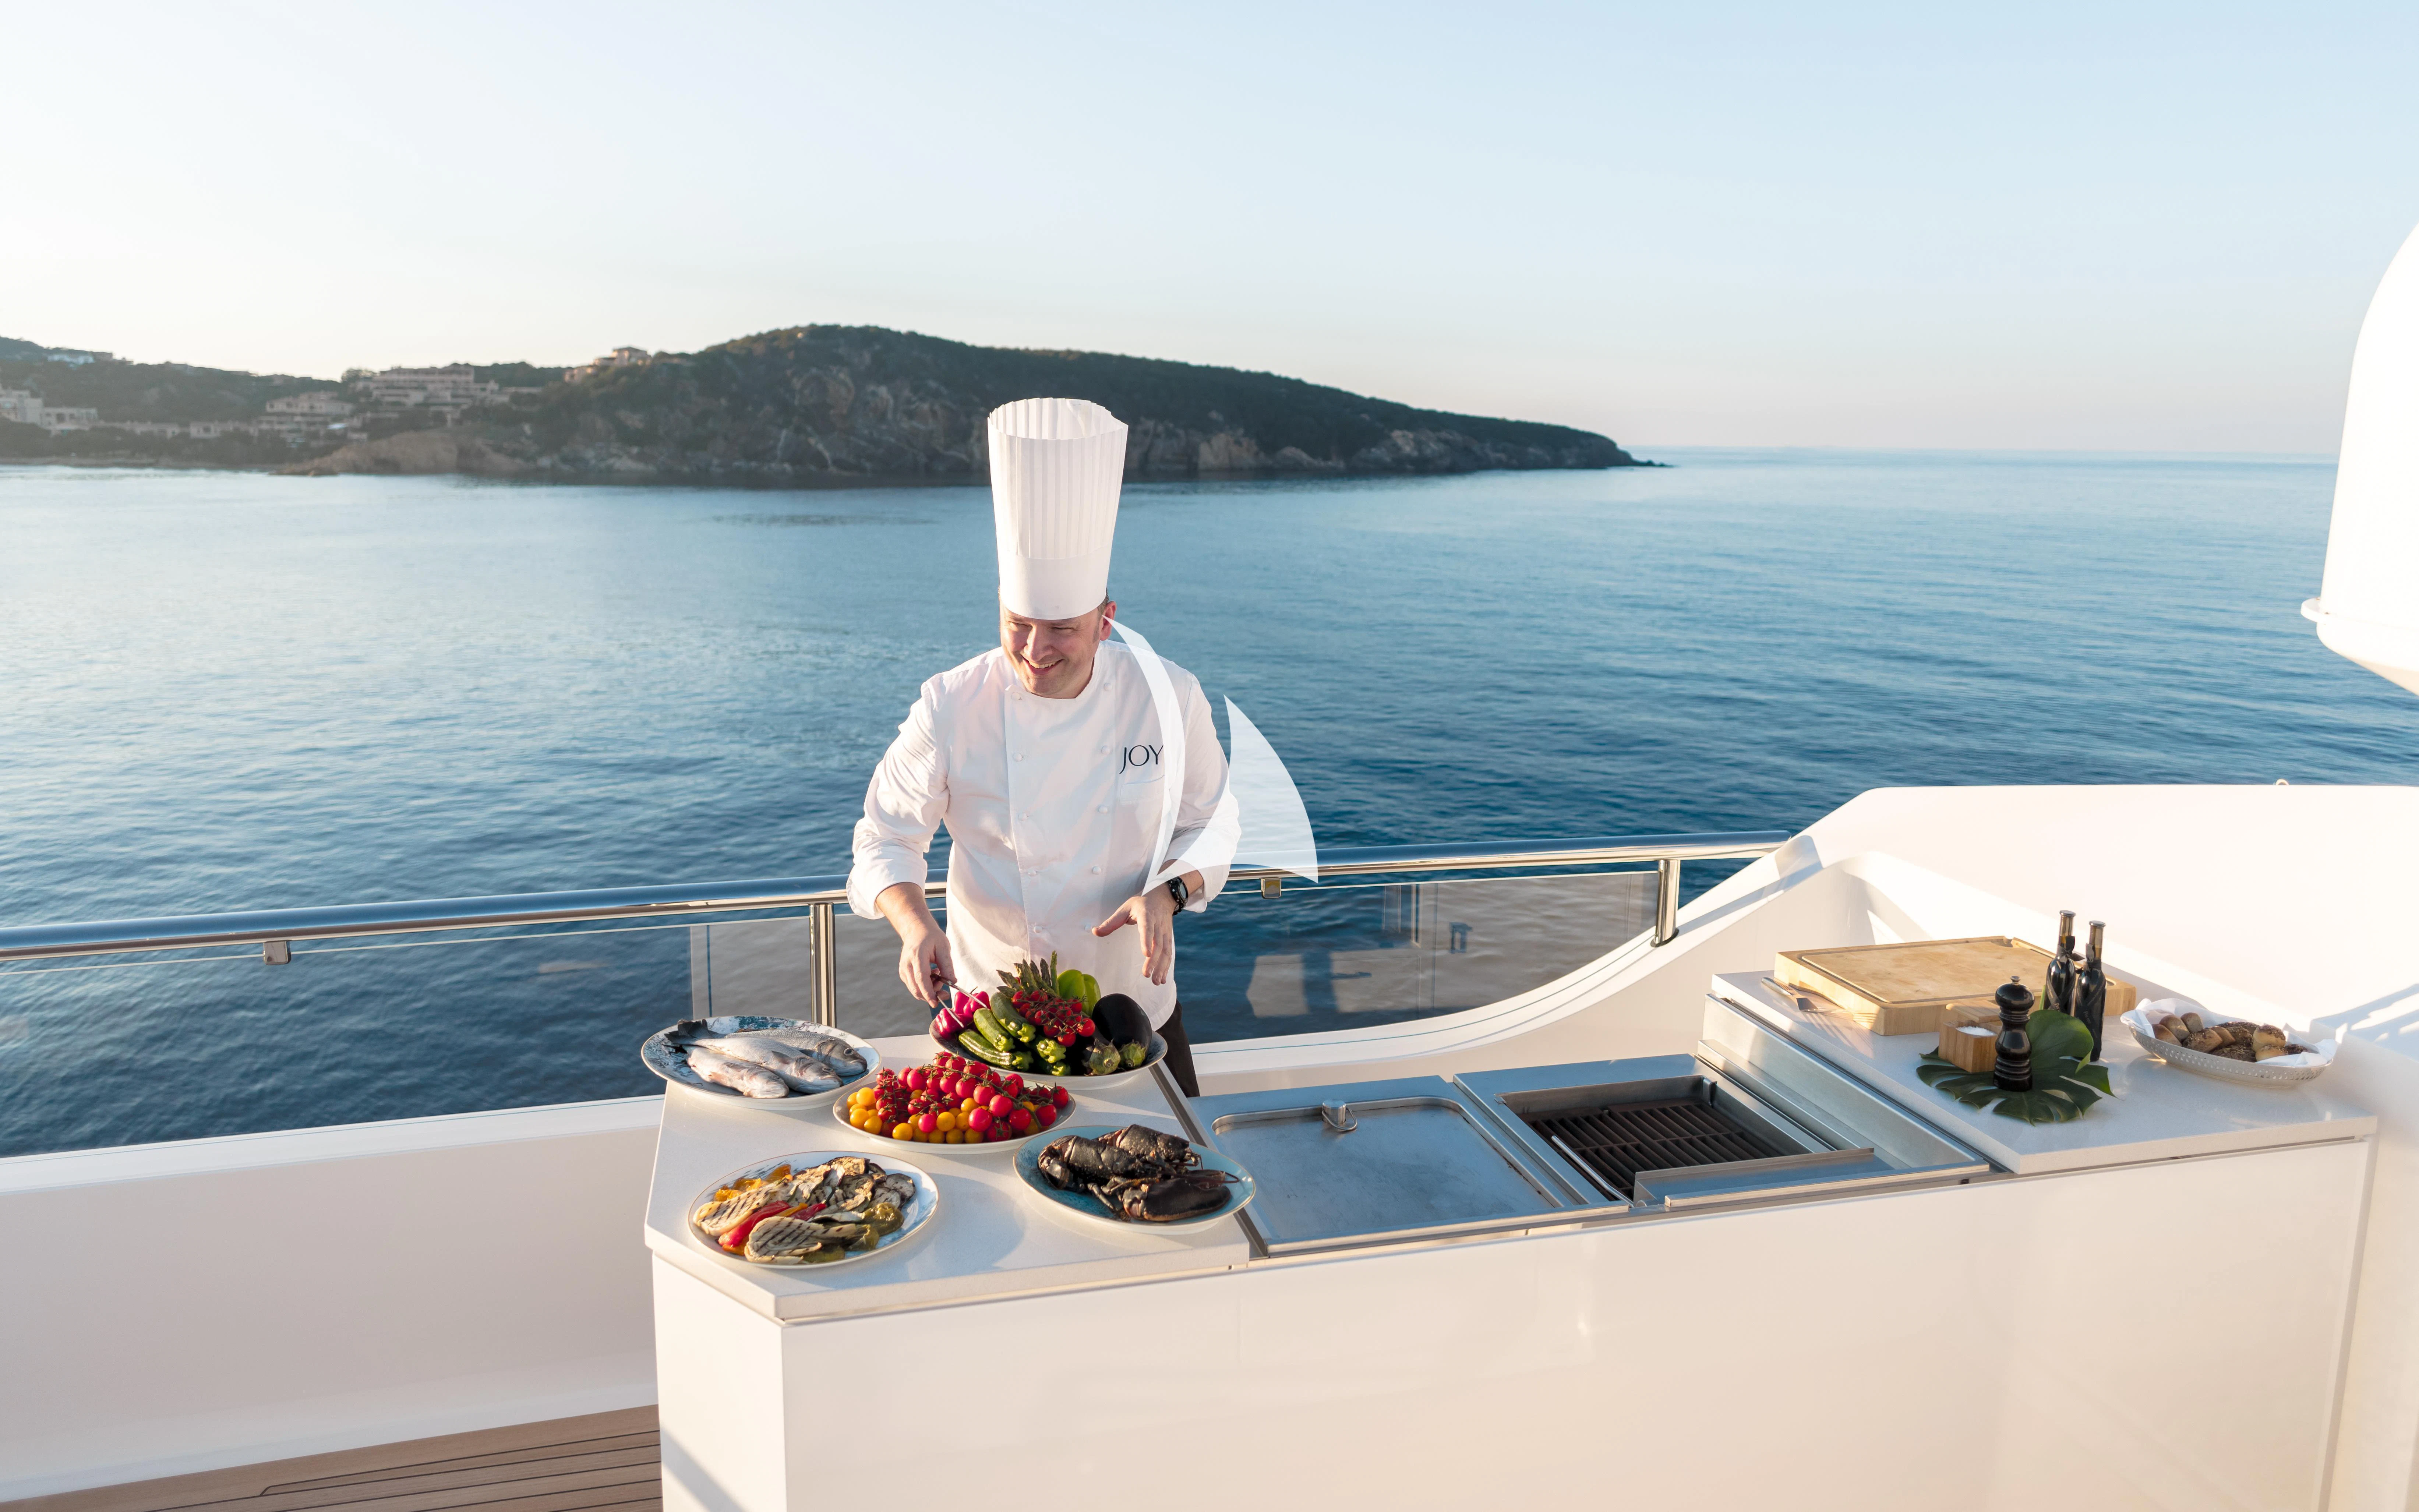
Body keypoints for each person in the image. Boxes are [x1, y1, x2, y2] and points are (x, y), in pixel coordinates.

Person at [846, 397, 1229, 1096]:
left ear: (1106, 620)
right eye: (1017, 624)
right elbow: (884, 835)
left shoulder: (1168, 696)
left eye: (1061, 629)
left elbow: (1216, 822)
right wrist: (912, 923)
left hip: (1134, 1015)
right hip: (995, 1019)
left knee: (1181, 1184)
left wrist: (1170, 893)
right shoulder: (952, 704)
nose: (1033, 650)